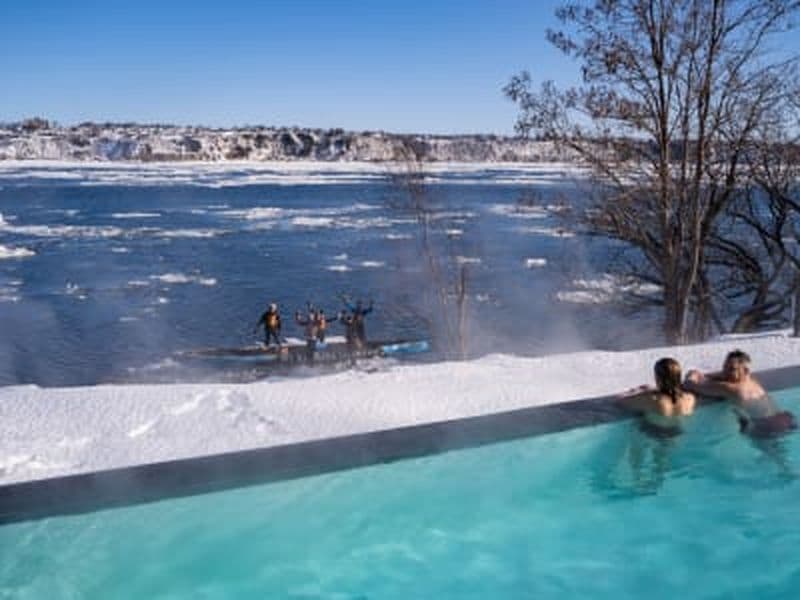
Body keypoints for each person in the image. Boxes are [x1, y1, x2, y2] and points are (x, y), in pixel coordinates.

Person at [684, 349, 797, 438]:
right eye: (725, 367)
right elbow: (723, 375)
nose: (725, 372)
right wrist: (710, 375)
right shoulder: (752, 380)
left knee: (776, 461)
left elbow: (691, 385)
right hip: (786, 419)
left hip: (767, 427)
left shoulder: (731, 388)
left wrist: (692, 374)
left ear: (745, 370)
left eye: (731, 369)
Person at [617, 357, 696, 437]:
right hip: (677, 432)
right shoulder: (690, 398)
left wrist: (637, 392)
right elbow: (673, 395)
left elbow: (621, 401)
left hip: (653, 433)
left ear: (658, 378)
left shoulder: (653, 400)